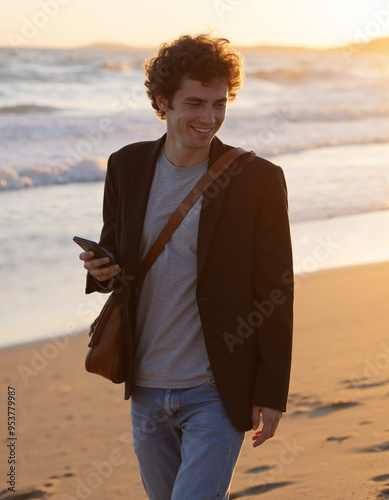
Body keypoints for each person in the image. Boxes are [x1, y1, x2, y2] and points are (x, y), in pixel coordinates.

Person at [79, 34, 294, 500]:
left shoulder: (258, 179)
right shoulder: (127, 166)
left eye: (219, 103)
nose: (209, 118)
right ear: (162, 101)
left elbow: (276, 291)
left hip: (218, 388)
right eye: (195, 103)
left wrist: (273, 391)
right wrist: (100, 272)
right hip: (147, 388)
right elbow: (120, 257)